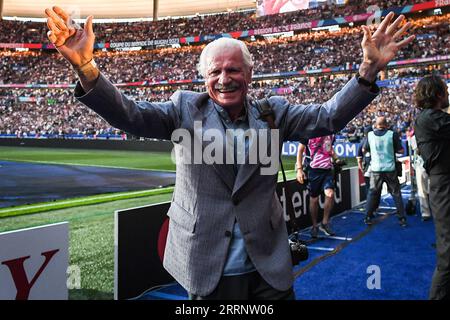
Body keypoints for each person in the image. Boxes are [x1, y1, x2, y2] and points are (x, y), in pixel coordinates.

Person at [45, 6, 414, 300]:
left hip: (267, 264)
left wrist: (367, 70)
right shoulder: (183, 109)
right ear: (204, 78)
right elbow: (131, 115)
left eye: (234, 69)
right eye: (216, 71)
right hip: (206, 264)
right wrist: (86, 67)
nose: (225, 78)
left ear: (249, 75)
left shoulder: (274, 113)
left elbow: (328, 117)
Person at [414, 75, 450, 300]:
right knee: (448, 257)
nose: (448, 95)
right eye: (446, 91)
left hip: (444, 183)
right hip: (444, 184)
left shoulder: (430, 118)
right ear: (438, 94)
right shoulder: (430, 118)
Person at [362, 116, 407, 227]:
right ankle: (402, 218)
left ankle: (367, 216)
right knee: (396, 194)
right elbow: (401, 150)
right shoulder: (392, 134)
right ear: (386, 125)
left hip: (376, 169)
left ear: (376, 125)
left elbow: (364, 149)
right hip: (390, 169)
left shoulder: (370, 135)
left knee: (372, 193)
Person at [296, 135, 337, 238]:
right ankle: (315, 226)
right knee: (314, 199)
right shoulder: (308, 132)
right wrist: (299, 169)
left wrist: (336, 159)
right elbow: (300, 150)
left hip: (327, 170)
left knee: (330, 194)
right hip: (312, 171)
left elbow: (329, 148)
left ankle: (324, 222)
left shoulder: (330, 134)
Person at [409, 129, 432, 221]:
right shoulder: (415, 138)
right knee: (424, 189)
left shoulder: (415, 138)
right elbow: (417, 150)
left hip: (426, 165)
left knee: (425, 189)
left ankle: (427, 212)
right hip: (422, 164)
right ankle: (426, 212)